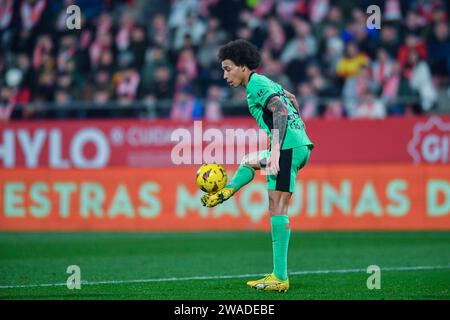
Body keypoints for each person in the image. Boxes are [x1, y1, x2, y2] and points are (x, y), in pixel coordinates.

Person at [201, 39, 314, 292]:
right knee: (249, 163)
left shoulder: (256, 84)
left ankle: (280, 278)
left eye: (228, 68)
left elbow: (281, 112)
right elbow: (291, 99)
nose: (225, 74)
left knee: (278, 207)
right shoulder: (266, 82)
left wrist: (275, 149)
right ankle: (226, 191)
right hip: (297, 145)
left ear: (243, 66)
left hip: (286, 147)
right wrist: (300, 129)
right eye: (223, 69)